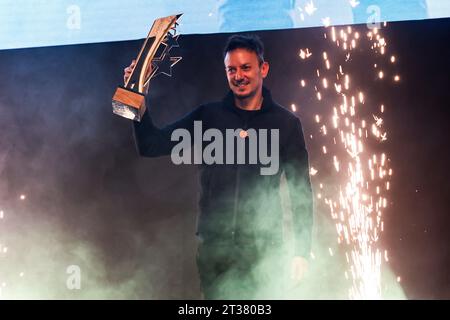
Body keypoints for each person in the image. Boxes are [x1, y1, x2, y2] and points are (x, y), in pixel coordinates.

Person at [123, 34, 313, 299]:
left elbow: (300, 191)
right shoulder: (209, 116)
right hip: (214, 255)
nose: (239, 76)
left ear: (263, 68)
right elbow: (151, 145)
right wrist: (136, 94)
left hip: (265, 253)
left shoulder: (286, 124)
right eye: (231, 70)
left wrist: (302, 252)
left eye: (246, 67)